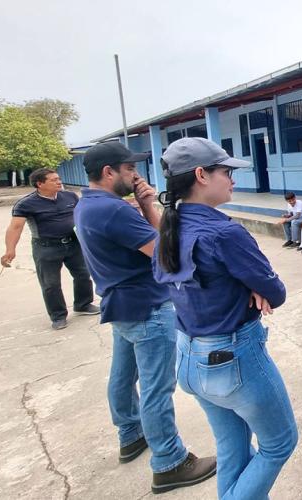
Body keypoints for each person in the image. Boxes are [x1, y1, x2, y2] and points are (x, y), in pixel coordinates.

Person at [153, 138, 297, 499]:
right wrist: (252, 285)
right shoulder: (224, 232)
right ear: (201, 175)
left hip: (189, 359)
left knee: (233, 446)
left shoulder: (171, 227)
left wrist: (245, 284)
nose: (232, 179)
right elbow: (275, 292)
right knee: (279, 444)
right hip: (231, 361)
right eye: (226, 172)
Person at [75, 142, 216, 492]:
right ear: (109, 172)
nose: (136, 174)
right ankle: (169, 461)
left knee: (122, 376)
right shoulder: (113, 211)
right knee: (156, 387)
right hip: (146, 308)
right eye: (129, 169)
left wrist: (143, 205)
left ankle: (131, 433)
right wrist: (149, 206)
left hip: (122, 304)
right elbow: (166, 255)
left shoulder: (89, 203)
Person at [0, 169, 98, 330]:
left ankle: (83, 304)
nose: (59, 182)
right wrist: (10, 250)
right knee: (50, 283)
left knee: (82, 274)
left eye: (58, 178)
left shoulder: (70, 196)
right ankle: (58, 315)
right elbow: (15, 227)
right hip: (46, 248)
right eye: (53, 180)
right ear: (40, 184)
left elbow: (82, 215)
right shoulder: (26, 204)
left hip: (73, 244)